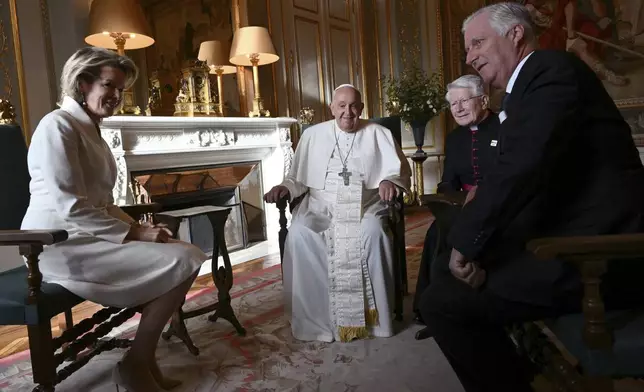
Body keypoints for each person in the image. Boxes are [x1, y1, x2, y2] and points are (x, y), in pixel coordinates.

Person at [418, 3, 644, 392]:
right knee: (442, 269)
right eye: (467, 48)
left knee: (442, 301)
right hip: (567, 235)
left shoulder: (550, 69)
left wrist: (468, 245)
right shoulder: (524, 90)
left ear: (515, 34)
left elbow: (522, 168)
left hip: (599, 253)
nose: (469, 56)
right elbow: (519, 172)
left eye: (477, 43)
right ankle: (518, 369)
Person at [20, 47, 207, 392]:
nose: (117, 97)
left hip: (90, 236)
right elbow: (71, 207)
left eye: (122, 90)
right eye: (110, 86)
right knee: (187, 258)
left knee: (186, 252)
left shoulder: (93, 131)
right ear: (82, 83)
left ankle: (143, 358)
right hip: (57, 244)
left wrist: (144, 231)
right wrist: (133, 231)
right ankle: (136, 363)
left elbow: (104, 204)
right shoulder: (56, 126)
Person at [264, 84, 411, 343]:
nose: (348, 112)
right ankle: (316, 321)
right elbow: (297, 179)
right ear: (332, 108)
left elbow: (397, 173)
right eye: (341, 106)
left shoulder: (379, 133)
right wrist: (284, 187)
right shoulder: (313, 136)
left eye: (354, 105)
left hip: (365, 205)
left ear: (362, 108)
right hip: (321, 206)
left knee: (373, 232)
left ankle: (375, 320)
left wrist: (390, 182)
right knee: (299, 233)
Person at [413, 74, 500, 330]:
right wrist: (447, 197)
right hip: (460, 207)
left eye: (464, 101)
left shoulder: (505, 128)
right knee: (436, 232)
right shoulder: (454, 138)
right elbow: (447, 180)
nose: (458, 108)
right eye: (453, 104)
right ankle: (431, 309)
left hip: (496, 206)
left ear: (483, 100)